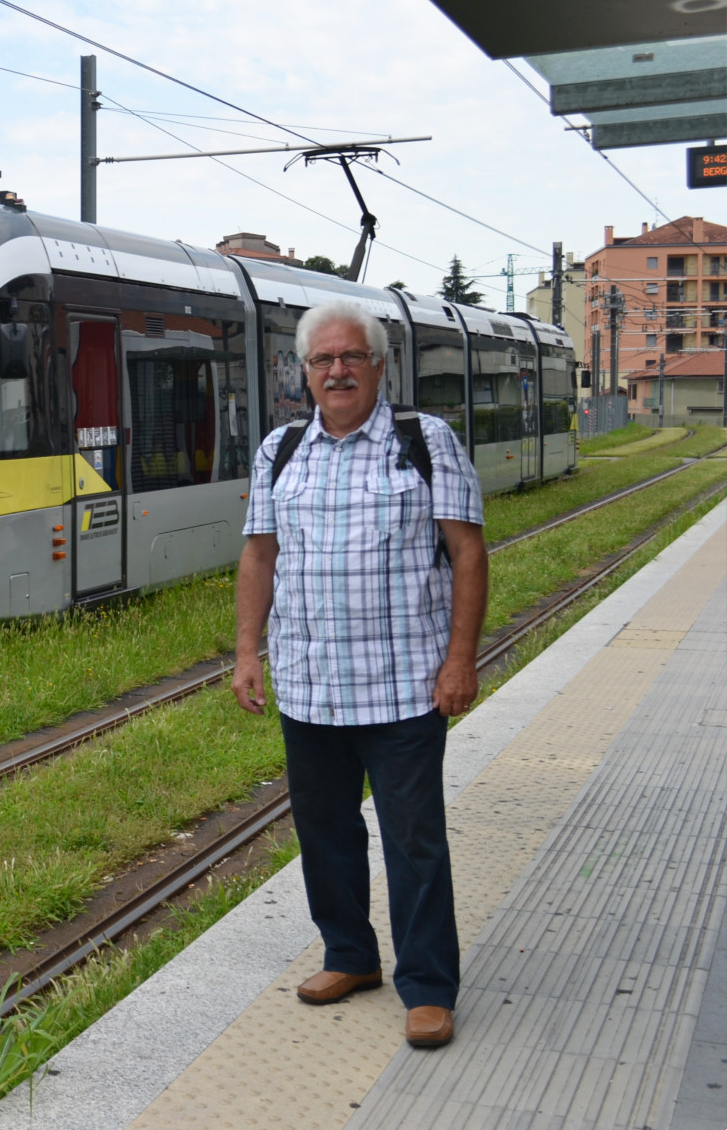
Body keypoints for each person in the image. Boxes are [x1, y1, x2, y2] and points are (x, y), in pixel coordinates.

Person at [232, 300, 488, 1051]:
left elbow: (468, 553)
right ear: (304, 372)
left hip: (406, 683)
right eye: (323, 360)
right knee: (325, 833)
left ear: (379, 366)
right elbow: (259, 556)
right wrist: (248, 652)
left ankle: (429, 986)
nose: (337, 371)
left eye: (352, 358)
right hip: (311, 686)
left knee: (413, 841)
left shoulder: (425, 441)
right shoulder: (281, 451)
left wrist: (461, 659)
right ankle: (349, 956)